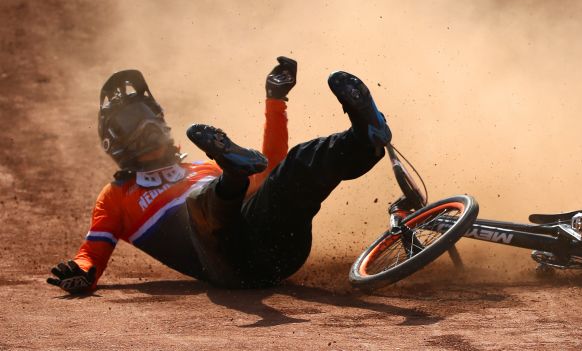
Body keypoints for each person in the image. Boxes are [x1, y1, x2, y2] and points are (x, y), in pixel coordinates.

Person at [46, 57, 392, 292]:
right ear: (115, 140)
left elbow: (270, 170)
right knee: (202, 204)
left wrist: (275, 100)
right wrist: (81, 272)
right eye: (132, 123)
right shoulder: (119, 195)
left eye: (148, 115)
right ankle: (233, 178)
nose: (147, 126)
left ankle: (365, 139)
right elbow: (93, 250)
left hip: (283, 251)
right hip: (230, 268)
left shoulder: (200, 167)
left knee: (297, 166)